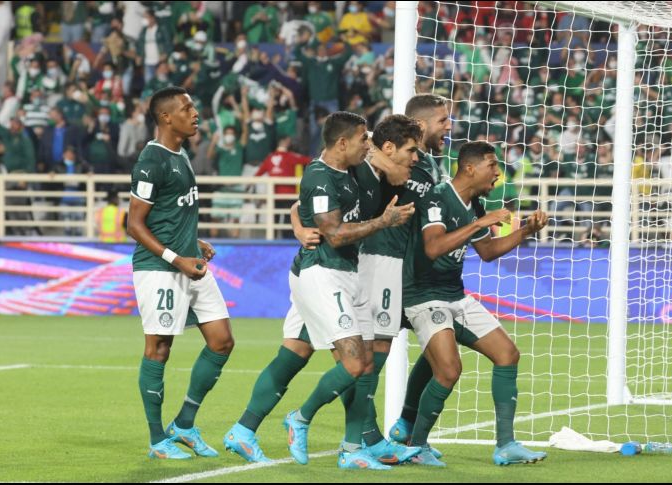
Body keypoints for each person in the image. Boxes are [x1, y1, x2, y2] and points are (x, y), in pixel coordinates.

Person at [223, 112, 415, 470]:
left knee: (294, 356)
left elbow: (301, 206)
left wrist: (297, 223)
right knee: (356, 362)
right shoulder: (322, 174)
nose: (367, 144)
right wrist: (383, 221)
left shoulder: (357, 167)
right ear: (344, 143)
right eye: (363, 140)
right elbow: (336, 233)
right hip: (321, 274)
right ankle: (305, 419)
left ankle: (243, 430)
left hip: (342, 273)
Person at [402, 141, 548, 466]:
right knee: (449, 369)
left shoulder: (475, 204)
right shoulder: (438, 196)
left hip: (454, 294)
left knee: (507, 354)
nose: (497, 173)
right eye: (492, 166)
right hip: (423, 295)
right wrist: (479, 224)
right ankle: (417, 445)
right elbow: (433, 247)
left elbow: (488, 252)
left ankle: (506, 446)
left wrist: (526, 231)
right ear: (470, 168)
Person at [128, 86, 234, 459]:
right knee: (159, 349)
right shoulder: (151, 161)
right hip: (160, 269)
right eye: (187, 108)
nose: (196, 113)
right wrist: (177, 257)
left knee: (222, 341)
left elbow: (172, 212)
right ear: (166, 118)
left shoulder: (182, 154)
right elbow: (134, 224)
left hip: (190, 261)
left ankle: (184, 424)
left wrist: (196, 240)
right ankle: (158, 440)